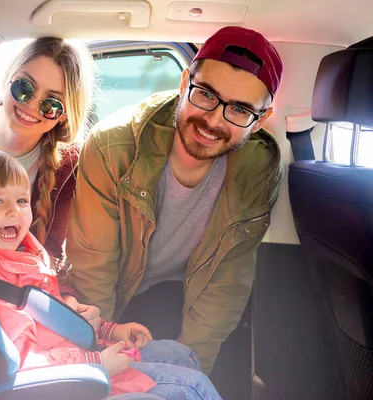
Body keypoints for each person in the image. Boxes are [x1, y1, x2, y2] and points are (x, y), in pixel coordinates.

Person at [64, 26, 284, 375]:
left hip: (179, 293)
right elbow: (94, 268)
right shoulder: (112, 146)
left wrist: (191, 371)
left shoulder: (259, 167)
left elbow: (225, 285)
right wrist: (99, 364)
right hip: (114, 295)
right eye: (206, 95)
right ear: (184, 84)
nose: (212, 121)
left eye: (240, 110)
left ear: (260, 121)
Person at [0, 149, 222, 399]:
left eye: (22, 200)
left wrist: (108, 330)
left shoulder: (17, 256)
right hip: (67, 381)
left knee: (181, 354)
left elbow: (49, 322)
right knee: (190, 388)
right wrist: (95, 362)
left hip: (77, 360)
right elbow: (24, 359)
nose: (14, 211)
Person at [0, 36, 95, 261]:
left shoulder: (69, 166)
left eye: (51, 103)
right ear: (9, 79)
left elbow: (51, 251)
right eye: (24, 87)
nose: (31, 106)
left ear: (64, 116)